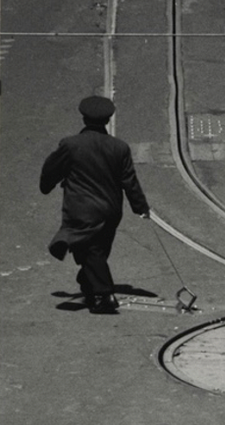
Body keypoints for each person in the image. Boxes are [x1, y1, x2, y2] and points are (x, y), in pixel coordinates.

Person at [39, 95, 150, 314]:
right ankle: (89, 283)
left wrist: (47, 185)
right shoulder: (120, 147)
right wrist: (141, 207)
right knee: (97, 250)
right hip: (110, 210)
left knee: (89, 251)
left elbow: (51, 170)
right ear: (108, 120)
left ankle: (103, 295)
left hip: (81, 210)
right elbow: (129, 181)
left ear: (83, 118)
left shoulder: (71, 145)